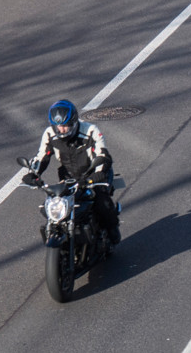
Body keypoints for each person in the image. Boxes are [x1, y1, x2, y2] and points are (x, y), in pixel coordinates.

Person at [23, 99, 119, 246]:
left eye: (65, 126)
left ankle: (112, 229)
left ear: (74, 122)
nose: (62, 130)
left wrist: (94, 177)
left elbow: (103, 156)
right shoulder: (49, 134)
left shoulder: (91, 131)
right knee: (52, 207)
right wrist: (33, 173)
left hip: (94, 174)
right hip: (69, 178)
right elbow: (42, 156)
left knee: (102, 203)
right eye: (58, 126)